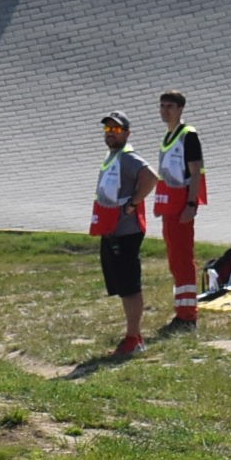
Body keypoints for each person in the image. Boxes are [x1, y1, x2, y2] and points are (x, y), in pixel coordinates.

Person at [88, 112, 156, 359]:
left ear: (127, 133)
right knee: (122, 285)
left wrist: (133, 203)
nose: (110, 134)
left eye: (116, 130)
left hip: (126, 231)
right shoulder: (113, 157)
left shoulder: (128, 157)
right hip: (112, 229)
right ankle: (132, 336)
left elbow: (151, 177)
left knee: (130, 286)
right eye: (108, 130)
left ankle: (134, 338)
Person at [154, 90, 207, 332]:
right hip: (169, 206)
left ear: (180, 109)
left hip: (181, 206)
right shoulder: (168, 135)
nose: (165, 111)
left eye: (170, 106)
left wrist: (191, 204)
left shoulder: (188, 135)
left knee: (183, 259)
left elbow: (195, 173)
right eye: (162, 106)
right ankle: (181, 310)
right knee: (175, 259)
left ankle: (188, 316)